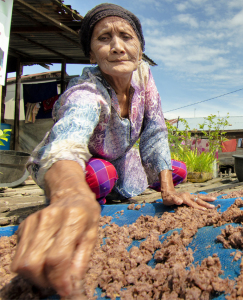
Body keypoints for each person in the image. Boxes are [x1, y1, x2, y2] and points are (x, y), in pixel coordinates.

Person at [11, 4, 216, 298]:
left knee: (175, 170)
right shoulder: (87, 92)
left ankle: (114, 188)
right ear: (92, 54)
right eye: (104, 38)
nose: (117, 47)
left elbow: (155, 128)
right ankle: (93, 195)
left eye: (126, 37)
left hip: (121, 157)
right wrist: (69, 194)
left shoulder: (144, 76)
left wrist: (168, 191)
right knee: (100, 176)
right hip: (81, 166)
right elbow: (68, 140)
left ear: (140, 48)